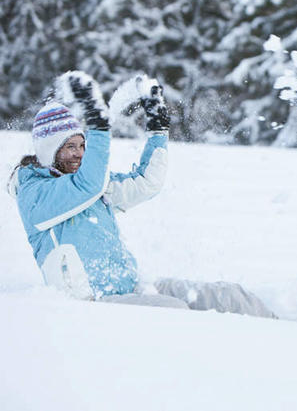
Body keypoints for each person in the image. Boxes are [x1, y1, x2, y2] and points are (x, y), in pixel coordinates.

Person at [10, 71, 275, 318]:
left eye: (82, 144)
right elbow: (87, 186)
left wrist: (157, 130)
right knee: (178, 312)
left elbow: (147, 182)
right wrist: (99, 127)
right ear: (49, 152)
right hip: (93, 308)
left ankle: (286, 333)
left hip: (132, 287)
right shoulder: (36, 196)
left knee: (227, 297)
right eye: (70, 147)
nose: (80, 153)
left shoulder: (92, 183)